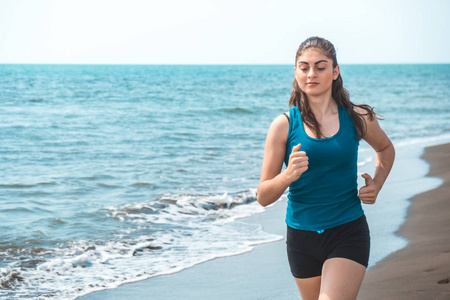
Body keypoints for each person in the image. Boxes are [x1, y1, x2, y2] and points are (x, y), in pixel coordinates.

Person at [256, 37, 395, 300]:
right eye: (304, 67)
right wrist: (288, 175)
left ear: (335, 71)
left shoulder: (357, 117)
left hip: (347, 230)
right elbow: (263, 196)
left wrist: (377, 183)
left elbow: (386, 149)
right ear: (295, 72)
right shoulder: (283, 125)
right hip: (301, 238)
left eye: (320, 67)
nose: (311, 74)